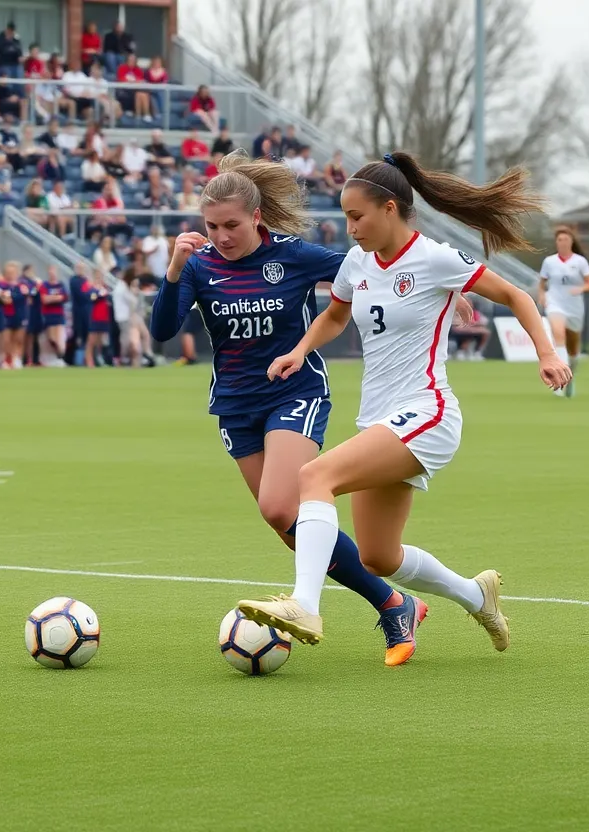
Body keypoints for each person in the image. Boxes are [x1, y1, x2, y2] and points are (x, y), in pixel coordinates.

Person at [235, 152, 570, 657]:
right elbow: (334, 316)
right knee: (377, 557)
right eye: (346, 217)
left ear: (390, 208)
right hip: (381, 419)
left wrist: (546, 354)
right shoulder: (357, 263)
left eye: (357, 216)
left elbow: (517, 296)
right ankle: (476, 595)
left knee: (313, 478)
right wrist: (299, 351)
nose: (350, 229)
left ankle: (305, 603)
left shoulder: (434, 258)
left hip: (428, 410)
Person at [149, 151, 426, 665]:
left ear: (256, 217)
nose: (221, 236)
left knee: (281, 505)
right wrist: (173, 271)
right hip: (235, 405)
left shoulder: (294, 256)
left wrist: (437, 293)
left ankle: (348, 604)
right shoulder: (199, 264)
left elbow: (367, 268)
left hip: (294, 392)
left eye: (231, 225)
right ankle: (394, 603)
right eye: (211, 226)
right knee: (287, 523)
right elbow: (163, 331)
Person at [538, 226, 589, 397]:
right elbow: (542, 282)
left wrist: (581, 289)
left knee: (573, 348)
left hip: (575, 307)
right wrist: (542, 295)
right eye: (559, 240)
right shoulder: (549, 261)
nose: (562, 242)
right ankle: (561, 382)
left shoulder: (580, 262)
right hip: (555, 303)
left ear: (571, 242)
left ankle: (571, 373)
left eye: (566, 240)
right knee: (558, 335)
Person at [115, 267, 150, 367]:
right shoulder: (122, 287)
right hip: (124, 317)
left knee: (131, 338)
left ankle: (136, 357)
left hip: (126, 317)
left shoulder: (123, 287)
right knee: (127, 339)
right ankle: (125, 358)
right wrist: (135, 294)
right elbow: (132, 301)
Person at [39, 264, 70, 366]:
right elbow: (45, 299)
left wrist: (52, 298)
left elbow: (64, 297)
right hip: (48, 314)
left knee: (59, 338)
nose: (52, 273)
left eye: (54, 271)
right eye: (50, 271)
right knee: (51, 338)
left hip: (59, 314)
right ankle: (53, 356)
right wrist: (56, 297)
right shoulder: (45, 285)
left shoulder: (61, 284)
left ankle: (59, 357)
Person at [0, 261, 27, 369]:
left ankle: (17, 359)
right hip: (7, 315)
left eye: (13, 272)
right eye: (8, 272)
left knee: (19, 339)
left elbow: (17, 297)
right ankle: (7, 359)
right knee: (7, 339)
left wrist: (9, 297)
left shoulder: (22, 286)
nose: (10, 275)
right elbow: (3, 299)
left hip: (20, 314)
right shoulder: (2, 285)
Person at [87, 275, 112, 366]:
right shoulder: (93, 290)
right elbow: (92, 298)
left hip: (104, 317)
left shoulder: (105, 289)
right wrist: (99, 295)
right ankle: (89, 360)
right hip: (95, 317)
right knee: (92, 340)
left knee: (101, 341)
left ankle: (99, 358)